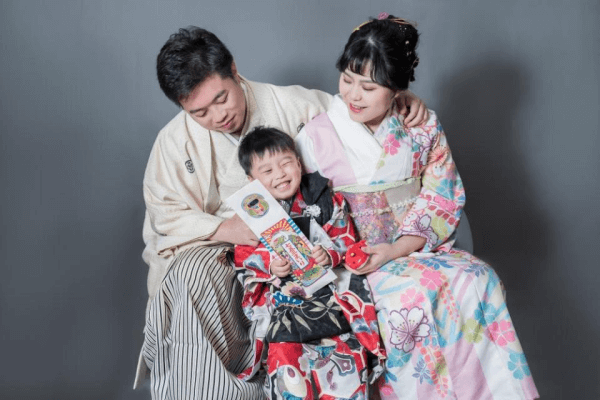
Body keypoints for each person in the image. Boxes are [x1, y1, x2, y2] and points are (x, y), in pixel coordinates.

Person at [136, 26, 428, 400]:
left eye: (221, 98)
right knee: (190, 274)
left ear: (234, 70)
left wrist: (399, 97)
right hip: (221, 243)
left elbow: (355, 108)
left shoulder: (289, 103)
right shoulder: (173, 141)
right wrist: (226, 229)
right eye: (199, 112)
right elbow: (165, 214)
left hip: (302, 240)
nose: (218, 115)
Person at [295, 13, 540, 399]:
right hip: (352, 260)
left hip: (412, 247)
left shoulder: (422, 125)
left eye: (369, 87)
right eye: (347, 79)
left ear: (397, 89)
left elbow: (441, 194)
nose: (353, 96)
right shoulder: (315, 135)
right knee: (410, 301)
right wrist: (346, 252)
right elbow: (304, 210)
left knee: (479, 279)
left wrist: (397, 248)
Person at [233, 126, 385, 399]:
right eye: (267, 171)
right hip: (285, 300)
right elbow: (243, 255)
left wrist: (329, 255)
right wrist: (270, 265)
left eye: (286, 163)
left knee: (344, 354)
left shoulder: (323, 197)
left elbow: (346, 237)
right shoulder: (251, 214)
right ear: (251, 180)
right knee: (287, 361)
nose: (280, 174)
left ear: (298, 162)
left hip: (330, 291)